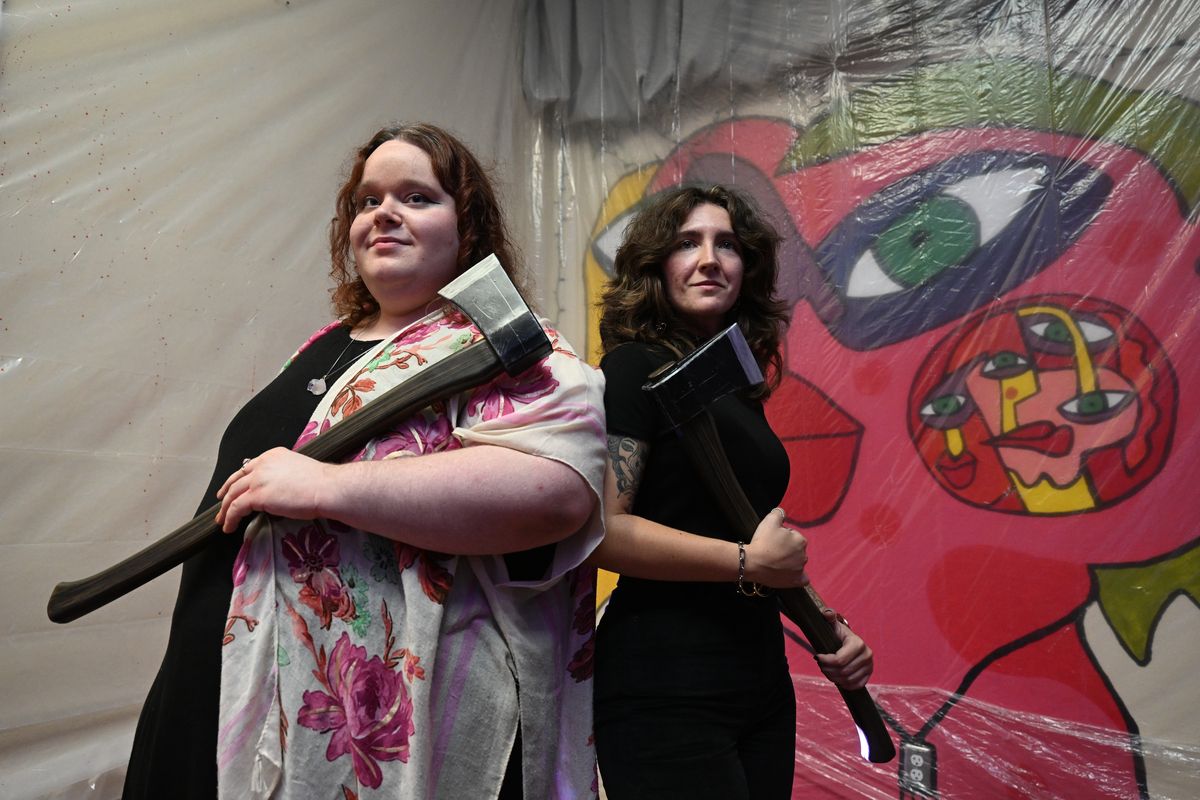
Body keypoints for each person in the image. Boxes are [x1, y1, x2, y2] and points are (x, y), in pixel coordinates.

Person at [123, 123, 606, 800]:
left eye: (416, 196)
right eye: (367, 199)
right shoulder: (323, 346)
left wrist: (327, 485)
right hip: (223, 677)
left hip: (369, 724)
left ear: (468, 228)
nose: (384, 213)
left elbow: (555, 491)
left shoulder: (507, 351)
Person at [589, 185, 874, 799]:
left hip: (759, 676)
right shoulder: (634, 368)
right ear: (656, 265)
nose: (710, 258)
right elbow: (606, 532)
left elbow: (750, 532)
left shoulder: (735, 385)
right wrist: (749, 563)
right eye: (687, 243)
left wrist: (830, 623)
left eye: (727, 244)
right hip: (663, 678)